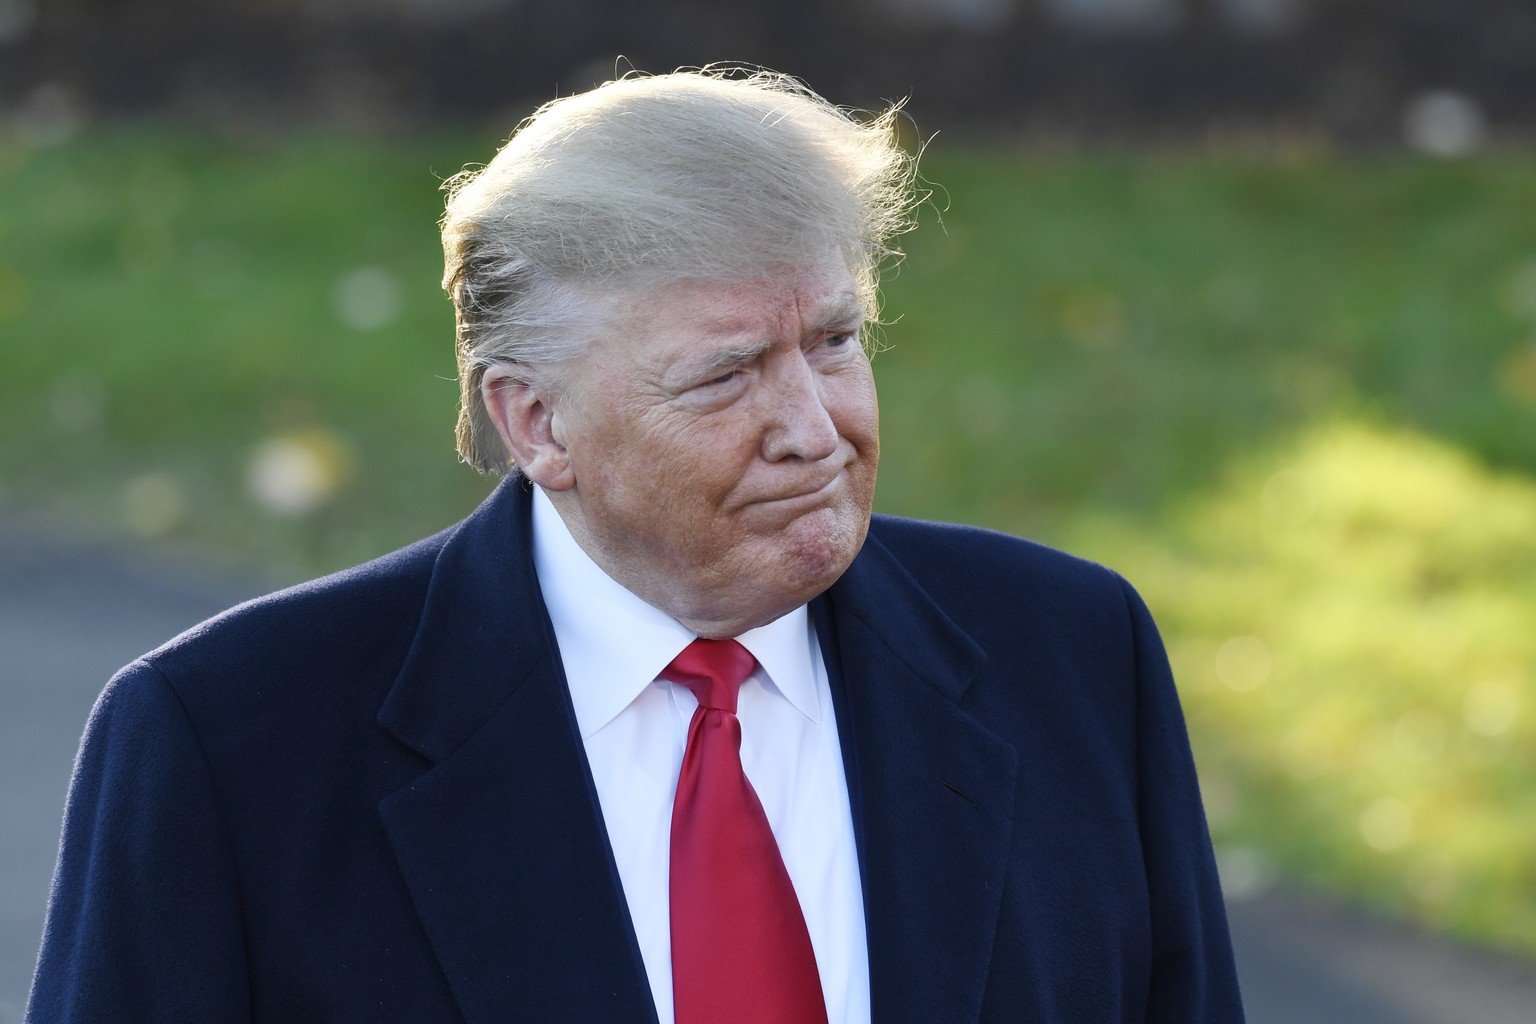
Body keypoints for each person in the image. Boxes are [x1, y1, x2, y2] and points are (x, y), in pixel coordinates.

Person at [28, 69, 1244, 1023]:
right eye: (727, 376)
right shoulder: (231, 744)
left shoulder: (1074, 654)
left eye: (832, 341)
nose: (815, 431)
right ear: (535, 421)